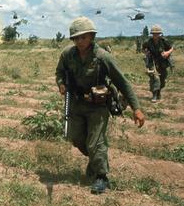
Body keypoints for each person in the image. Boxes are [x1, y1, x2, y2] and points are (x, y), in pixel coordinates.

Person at [55, 17, 145, 194]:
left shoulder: (103, 57)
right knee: (76, 138)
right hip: (76, 104)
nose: (79, 41)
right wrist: (61, 84)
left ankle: (101, 176)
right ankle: (96, 161)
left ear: (91, 36)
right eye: (76, 38)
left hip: (98, 106)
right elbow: (59, 72)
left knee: (95, 143)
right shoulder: (67, 54)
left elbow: (123, 83)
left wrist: (137, 108)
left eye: (83, 37)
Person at [142, 24, 174, 102]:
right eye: (154, 34)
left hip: (162, 62)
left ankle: (159, 92)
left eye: (157, 33)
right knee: (155, 78)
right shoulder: (148, 42)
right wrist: (146, 52)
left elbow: (171, 48)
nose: (155, 35)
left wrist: (167, 53)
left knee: (162, 80)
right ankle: (154, 95)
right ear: (152, 34)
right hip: (152, 62)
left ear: (160, 34)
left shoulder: (164, 41)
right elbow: (143, 49)